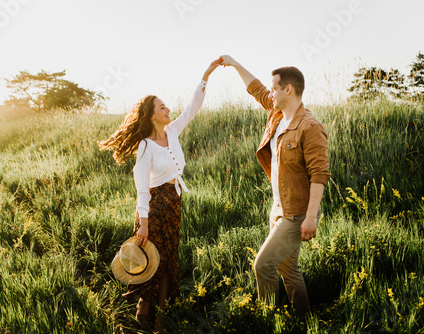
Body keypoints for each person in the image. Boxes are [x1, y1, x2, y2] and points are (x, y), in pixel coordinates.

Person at [98, 58, 222, 332]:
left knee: (167, 260)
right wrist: (143, 222)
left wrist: (206, 76)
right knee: (151, 259)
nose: (168, 109)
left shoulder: (172, 132)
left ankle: (161, 318)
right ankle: (143, 311)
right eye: (162, 107)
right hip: (154, 207)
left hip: (174, 202)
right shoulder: (145, 146)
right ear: (152, 115)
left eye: (167, 106)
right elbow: (142, 187)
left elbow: (193, 108)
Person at [219, 55, 331, 316]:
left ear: (287, 90)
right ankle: (301, 318)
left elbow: (319, 174)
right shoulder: (277, 113)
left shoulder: (310, 127)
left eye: (274, 88)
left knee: (264, 265)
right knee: (288, 268)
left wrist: (311, 217)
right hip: (278, 207)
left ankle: (267, 319)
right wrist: (234, 64)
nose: (270, 92)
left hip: (295, 213)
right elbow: (256, 88)